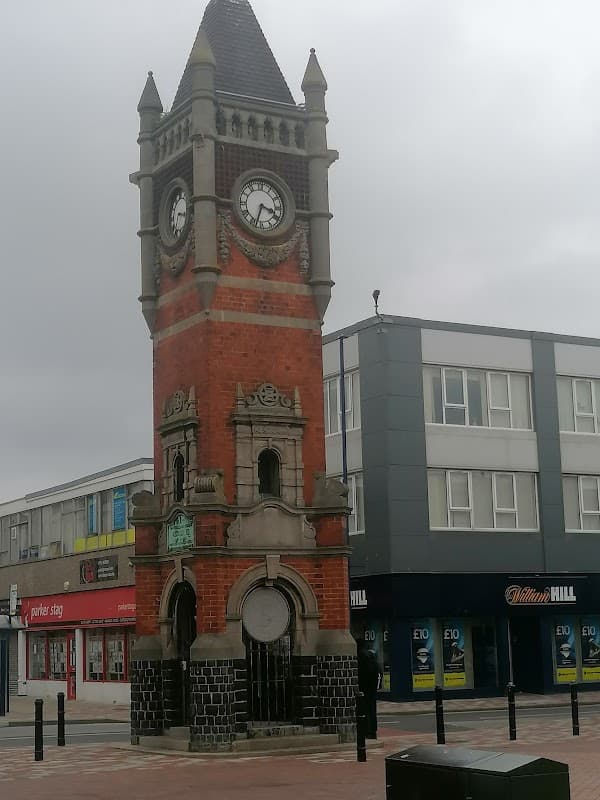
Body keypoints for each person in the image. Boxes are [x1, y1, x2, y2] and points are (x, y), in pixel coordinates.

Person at [356, 638, 382, 739]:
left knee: (365, 709)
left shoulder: (360, 656)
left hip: (364, 687)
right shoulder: (371, 655)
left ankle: (367, 730)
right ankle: (373, 730)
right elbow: (378, 670)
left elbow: (360, 674)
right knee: (372, 709)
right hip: (372, 687)